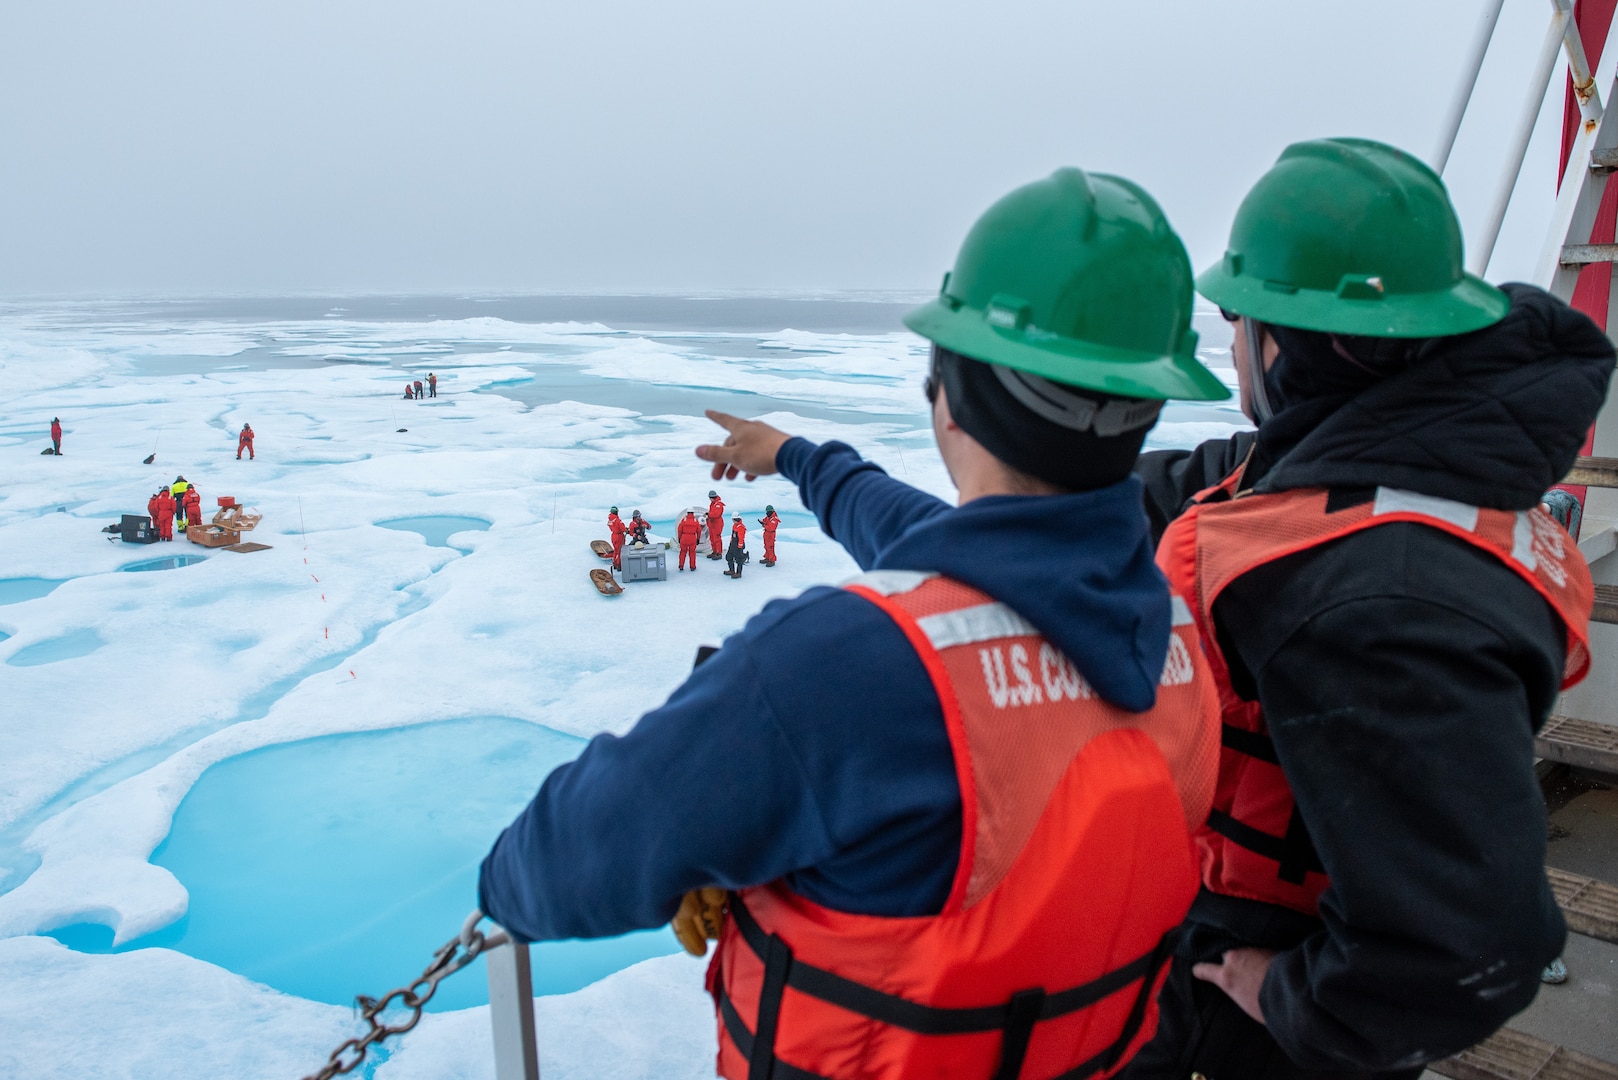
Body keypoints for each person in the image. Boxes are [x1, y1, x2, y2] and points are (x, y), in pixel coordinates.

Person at [478, 169, 1231, 1079]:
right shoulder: (1178, 638)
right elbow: (952, 544)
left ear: (950, 394)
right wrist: (798, 459)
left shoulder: (845, 667)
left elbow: (564, 863)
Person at [1118, 138, 1611, 1080]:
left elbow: (1476, 950)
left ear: (1303, 344)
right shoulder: (1423, 450)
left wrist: (1286, 998)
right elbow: (1240, 482)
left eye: (1239, 316)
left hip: (1264, 1018)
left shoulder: (1374, 607)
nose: (1229, 344)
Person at [723, 513, 748, 578]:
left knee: (739, 560)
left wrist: (739, 546)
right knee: (729, 557)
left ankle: (738, 573)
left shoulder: (740, 527)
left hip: (738, 546)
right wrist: (731, 543)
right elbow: (733, 535)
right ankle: (732, 570)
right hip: (733, 544)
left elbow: (741, 538)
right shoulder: (735, 526)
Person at [706, 489, 725, 559]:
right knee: (712, 538)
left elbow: (716, 514)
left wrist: (709, 514)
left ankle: (718, 553)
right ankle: (714, 551)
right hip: (712, 523)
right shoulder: (713, 504)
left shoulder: (718, 505)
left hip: (717, 523)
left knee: (717, 538)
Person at [607, 507, 627, 571]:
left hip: (613, 536)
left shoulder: (610, 520)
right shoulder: (618, 520)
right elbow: (623, 529)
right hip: (619, 536)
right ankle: (619, 565)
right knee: (620, 551)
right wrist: (626, 530)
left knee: (616, 550)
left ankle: (615, 563)